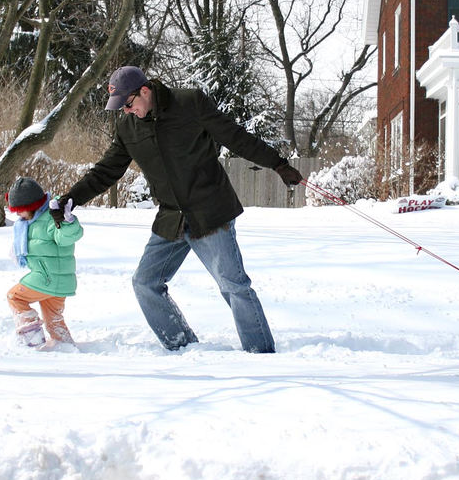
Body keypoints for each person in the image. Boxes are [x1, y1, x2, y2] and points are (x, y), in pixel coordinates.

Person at [53, 66, 302, 353]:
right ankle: (182, 347)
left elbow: (235, 137)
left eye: (129, 104)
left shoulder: (189, 103)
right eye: (121, 108)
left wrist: (278, 164)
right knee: (145, 283)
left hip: (210, 212)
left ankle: (261, 353)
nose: (127, 111)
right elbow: (106, 171)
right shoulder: (128, 128)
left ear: (144, 91)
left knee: (233, 285)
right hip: (171, 217)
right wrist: (71, 198)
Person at [5, 176, 84, 350]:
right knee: (53, 319)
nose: (17, 214)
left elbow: (66, 237)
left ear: (31, 206)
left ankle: (32, 339)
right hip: (57, 281)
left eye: (19, 209)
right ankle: (65, 346)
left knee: (15, 297)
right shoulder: (29, 223)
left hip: (47, 278)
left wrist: (67, 223)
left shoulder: (50, 219)